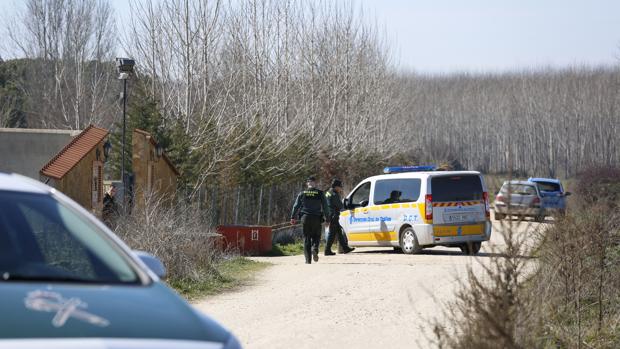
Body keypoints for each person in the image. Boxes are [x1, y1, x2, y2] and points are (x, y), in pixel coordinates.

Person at [290, 176, 330, 264]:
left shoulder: (302, 193)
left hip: (305, 218)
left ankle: (308, 260)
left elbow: (296, 206)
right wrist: (327, 219)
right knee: (317, 236)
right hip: (316, 218)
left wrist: (293, 217)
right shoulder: (320, 193)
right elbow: (325, 207)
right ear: (315, 183)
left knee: (306, 238)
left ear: (307, 183)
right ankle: (314, 248)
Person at [324, 179, 355, 255]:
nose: (341, 188)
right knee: (332, 233)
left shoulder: (328, 192)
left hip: (330, 214)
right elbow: (340, 205)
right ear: (336, 187)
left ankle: (345, 248)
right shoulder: (334, 194)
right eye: (340, 187)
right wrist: (347, 207)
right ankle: (327, 250)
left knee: (339, 232)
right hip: (333, 215)